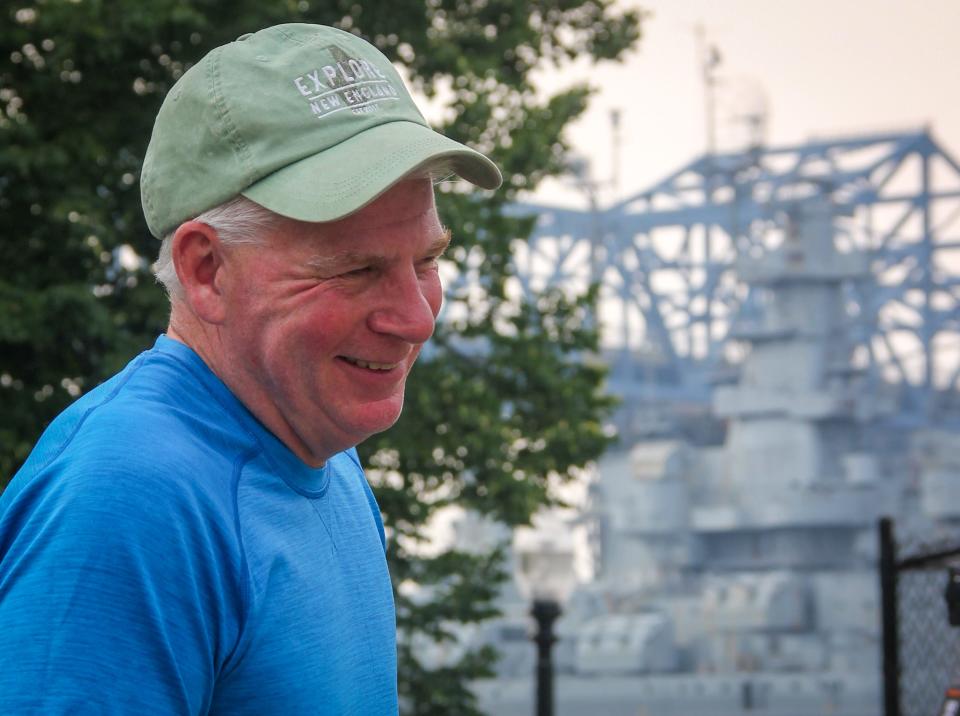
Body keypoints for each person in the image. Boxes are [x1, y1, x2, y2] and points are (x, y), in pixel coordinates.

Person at [0, 23, 500, 715]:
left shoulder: (322, 453)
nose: (416, 318)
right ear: (206, 270)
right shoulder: (132, 502)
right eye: (358, 270)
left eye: (427, 261)